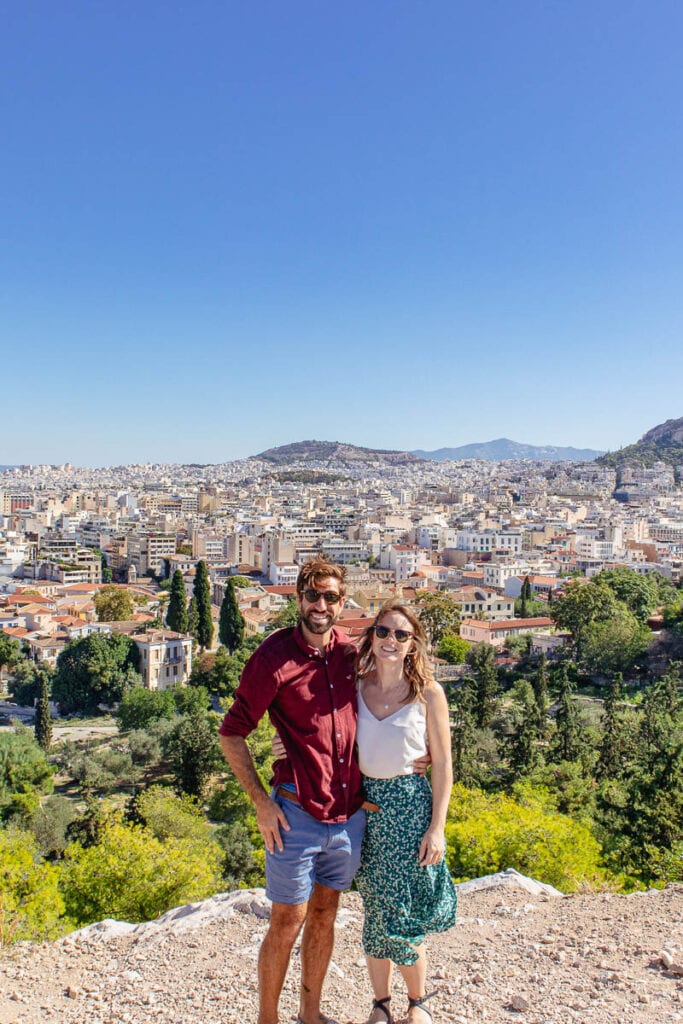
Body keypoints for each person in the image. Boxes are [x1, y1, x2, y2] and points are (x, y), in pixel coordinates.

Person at [218, 559, 364, 1024]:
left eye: (331, 597)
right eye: (313, 595)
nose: (321, 606)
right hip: (295, 814)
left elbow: (389, 705)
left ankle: (311, 1014)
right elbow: (231, 732)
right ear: (299, 599)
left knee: (325, 915)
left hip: (347, 815)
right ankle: (268, 1018)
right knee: (286, 921)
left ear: (343, 603)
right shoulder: (273, 658)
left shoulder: (351, 654)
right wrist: (262, 803)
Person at [353, 599, 457, 1024]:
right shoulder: (355, 684)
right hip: (368, 810)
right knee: (376, 909)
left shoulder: (429, 692)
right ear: (372, 636)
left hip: (411, 809)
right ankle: (381, 1003)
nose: (391, 640)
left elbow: (445, 763)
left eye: (401, 634)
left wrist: (438, 827)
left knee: (406, 909)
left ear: (413, 644)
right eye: (383, 632)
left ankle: (418, 1003)